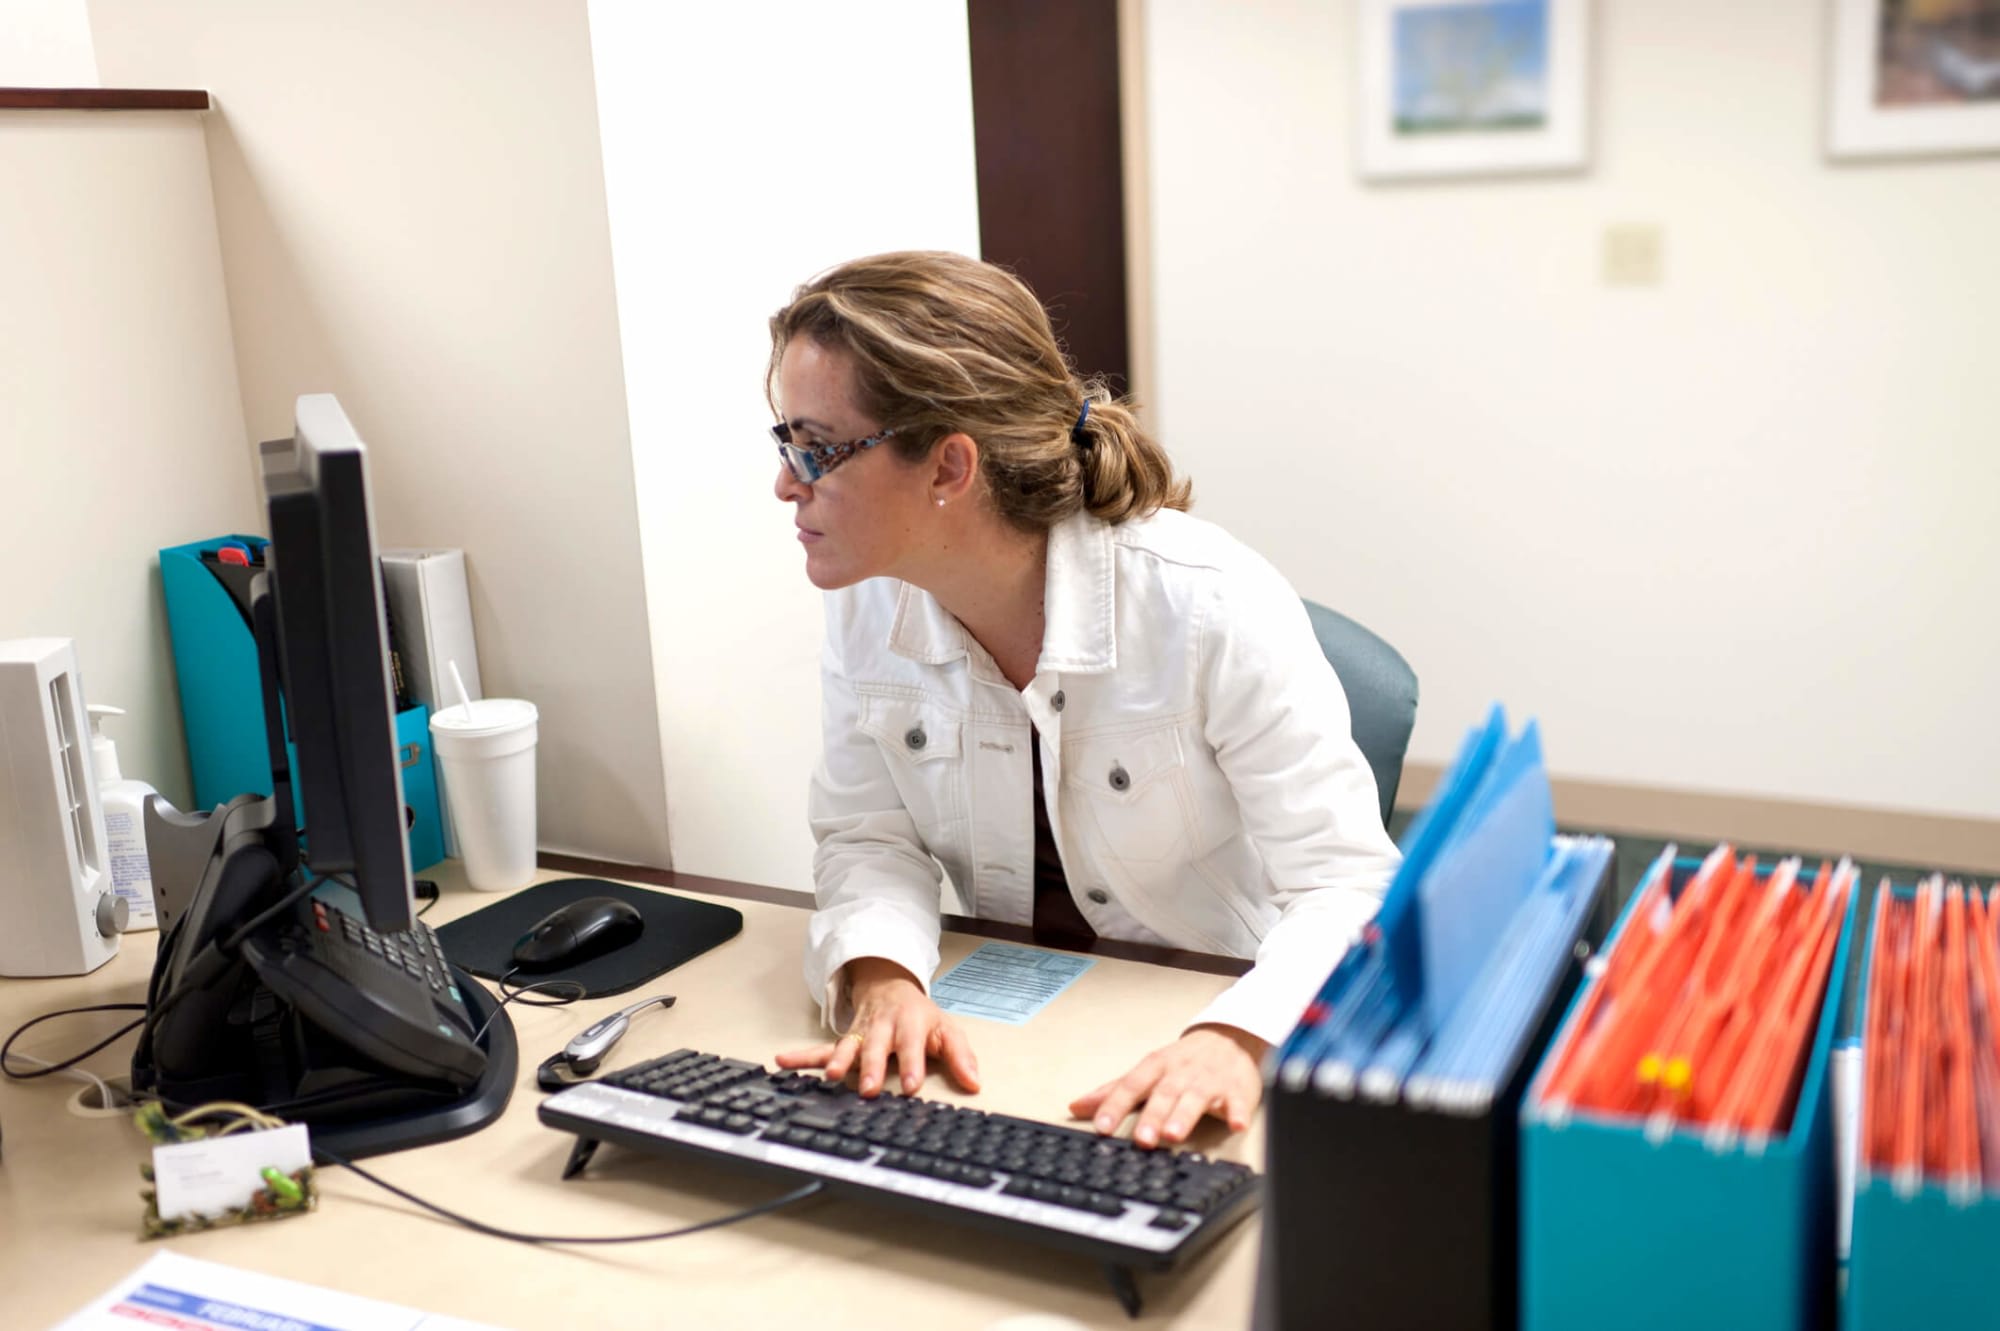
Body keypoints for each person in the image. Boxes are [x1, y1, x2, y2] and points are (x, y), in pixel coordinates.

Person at [769, 251, 1400, 1148]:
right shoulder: (872, 598)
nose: (787, 484)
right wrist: (881, 978)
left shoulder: (1211, 601)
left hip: (1216, 1013)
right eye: (785, 441)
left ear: (950, 466)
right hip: (1015, 1024)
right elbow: (869, 835)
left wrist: (1234, 1038)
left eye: (818, 448)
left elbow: (1350, 883)